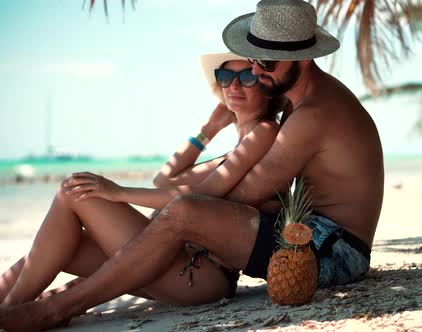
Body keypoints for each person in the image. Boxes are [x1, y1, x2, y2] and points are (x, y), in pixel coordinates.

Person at [0, 0, 384, 330]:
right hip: (309, 236)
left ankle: (53, 310)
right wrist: (209, 137)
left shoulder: (311, 115)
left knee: (184, 210)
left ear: (302, 57)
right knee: (73, 229)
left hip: (334, 253)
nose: (258, 73)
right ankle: (10, 307)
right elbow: (211, 187)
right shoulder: (297, 104)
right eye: (254, 62)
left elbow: (244, 195)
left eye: (265, 64)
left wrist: (137, 202)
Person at [0, 52, 285, 317]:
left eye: (246, 76)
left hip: (198, 275)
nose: (233, 85)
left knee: (75, 192)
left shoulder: (265, 132)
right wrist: (209, 129)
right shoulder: (235, 151)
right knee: (60, 245)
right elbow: (165, 179)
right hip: (169, 262)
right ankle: (7, 305)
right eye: (225, 78)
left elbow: (201, 196)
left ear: (266, 85)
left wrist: (118, 192)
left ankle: (11, 311)